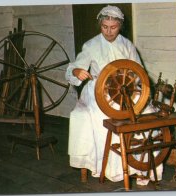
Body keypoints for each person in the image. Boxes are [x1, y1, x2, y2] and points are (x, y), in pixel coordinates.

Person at [65, 5, 162, 185]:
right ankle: (111, 170)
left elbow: (139, 72)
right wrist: (77, 71)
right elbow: (72, 68)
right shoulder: (91, 45)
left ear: (120, 26)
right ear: (100, 25)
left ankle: (140, 167)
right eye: (105, 27)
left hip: (125, 89)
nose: (109, 31)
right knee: (106, 116)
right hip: (98, 92)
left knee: (145, 114)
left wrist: (139, 88)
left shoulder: (127, 45)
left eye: (113, 27)